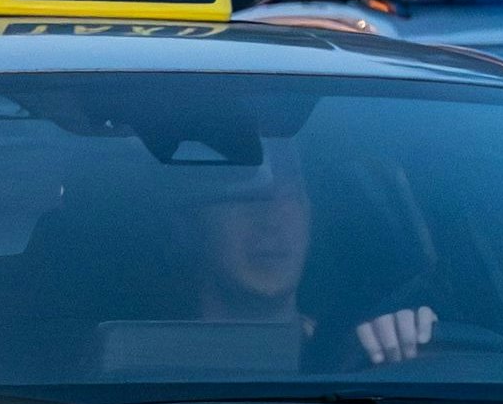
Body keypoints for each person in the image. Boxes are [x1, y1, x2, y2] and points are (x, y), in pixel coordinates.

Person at [182, 150, 437, 367]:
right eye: (243, 193)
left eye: (290, 193)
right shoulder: (149, 362)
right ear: (194, 224)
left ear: (309, 215)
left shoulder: (359, 358)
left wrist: (416, 341)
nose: (270, 220)